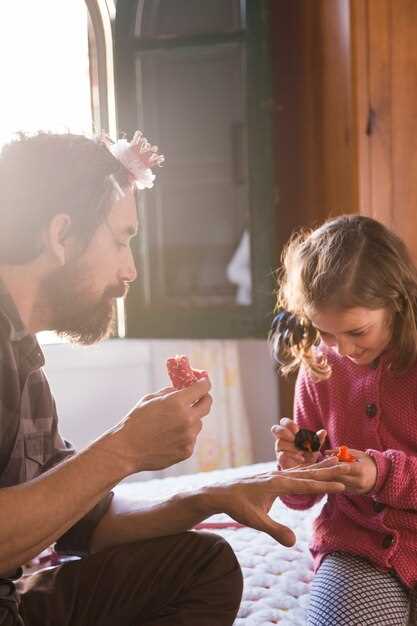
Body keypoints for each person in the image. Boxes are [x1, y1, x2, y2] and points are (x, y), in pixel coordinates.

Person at [0, 131, 349, 626]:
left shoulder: (22, 355)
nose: (131, 270)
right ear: (61, 236)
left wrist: (209, 498)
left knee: (204, 566)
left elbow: (83, 523)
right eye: (121, 240)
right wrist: (124, 449)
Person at [270, 214, 417, 625]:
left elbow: (381, 473)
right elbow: (301, 499)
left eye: (357, 331)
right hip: (360, 544)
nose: (341, 349)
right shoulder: (319, 367)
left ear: (398, 301)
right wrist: (296, 471)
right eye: (325, 333)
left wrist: (380, 474)